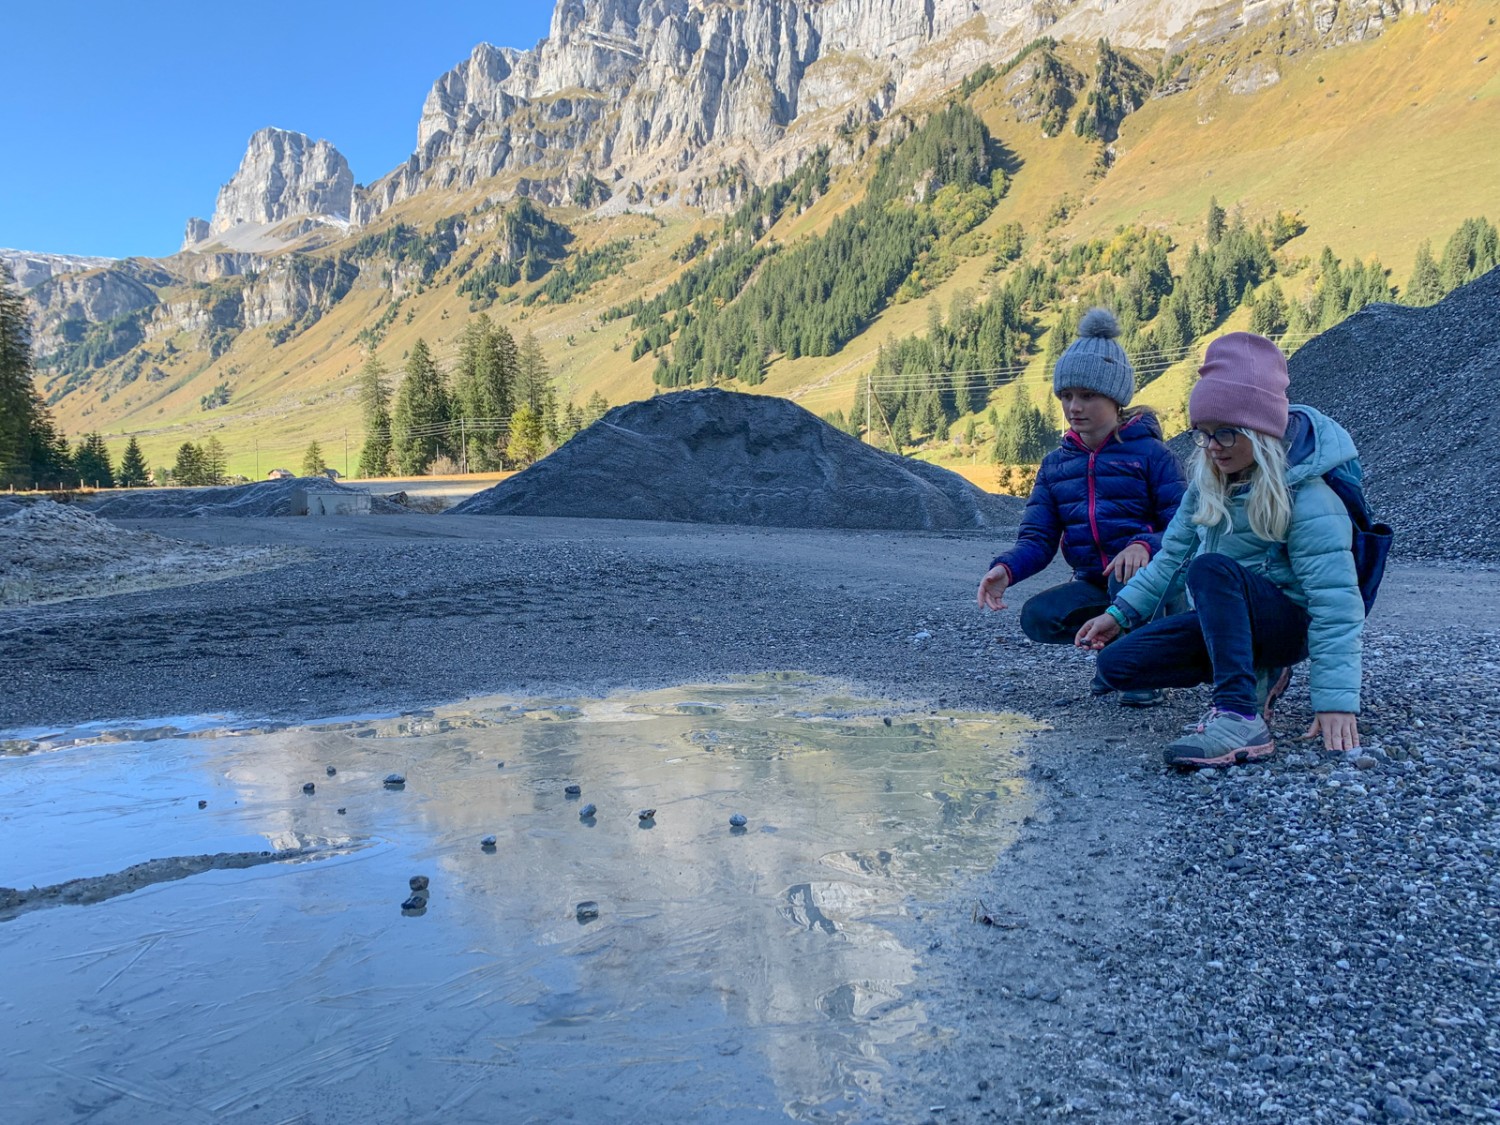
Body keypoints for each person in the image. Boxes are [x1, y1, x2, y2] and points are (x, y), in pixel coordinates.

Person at [1075, 331, 1364, 768]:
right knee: (1117, 666)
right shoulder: (1206, 485)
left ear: (1259, 429)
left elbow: (1335, 604)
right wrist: (1118, 616)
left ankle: (1238, 714)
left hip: (1287, 624)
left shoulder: (1309, 498)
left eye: (1225, 434)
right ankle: (1253, 675)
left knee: (1210, 568)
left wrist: (1336, 700)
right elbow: (1169, 559)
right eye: (1203, 434)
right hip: (1229, 618)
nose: (1212, 448)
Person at [977, 307, 1187, 706]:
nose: (1075, 407)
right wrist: (1005, 568)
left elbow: (1186, 526)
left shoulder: (1153, 456)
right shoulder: (1056, 466)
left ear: (1116, 398)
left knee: (1129, 574)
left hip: (1154, 582)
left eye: (1088, 395)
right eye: (1067, 395)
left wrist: (1144, 544)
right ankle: (1116, 651)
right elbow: (1038, 538)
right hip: (1094, 581)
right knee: (1037, 616)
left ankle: (1143, 663)